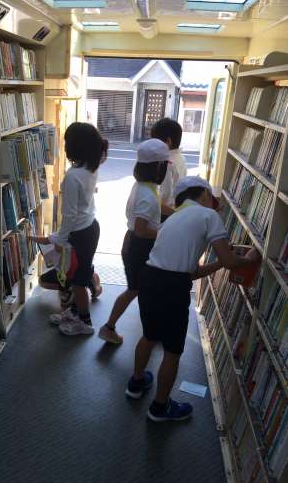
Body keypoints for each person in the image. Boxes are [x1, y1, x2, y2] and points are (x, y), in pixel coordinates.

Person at [125, 176, 261, 422]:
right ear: (205, 194)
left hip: (150, 278)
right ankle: (160, 408)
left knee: (149, 336)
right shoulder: (209, 216)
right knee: (172, 350)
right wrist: (249, 259)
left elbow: (193, 271)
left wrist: (218, 263)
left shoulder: (171, 220)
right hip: (173, 287)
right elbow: (230, 261)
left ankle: (136, 383)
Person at [31, 122, 106, 336]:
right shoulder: (90, 167)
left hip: (79, 234)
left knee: (78, 282)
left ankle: (84, 322)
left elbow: (70, 216)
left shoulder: (73, 176)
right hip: (89, 227)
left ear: (75, 146)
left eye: (66, 141)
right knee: (76, 276)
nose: (64, 146)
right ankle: (74, 313)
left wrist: (59, 241)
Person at [98, 139, 170, 345]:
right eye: (166, 165)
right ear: (158, 167)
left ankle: (112, 327)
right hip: (138, 247)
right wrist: (164, 233)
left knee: (138, 289)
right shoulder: (147, 194)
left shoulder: (143, 186)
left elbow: (158, 207)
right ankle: (110, 327)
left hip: (133, 244)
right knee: (136, 290)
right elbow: (141, 229)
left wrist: (178, 214)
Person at [151, 118, 187, 220]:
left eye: (155, 141)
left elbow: (164, 197)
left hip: (164, 214)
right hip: (175, 208)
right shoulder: (181, 158)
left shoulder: (166, 164)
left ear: (168, 141)